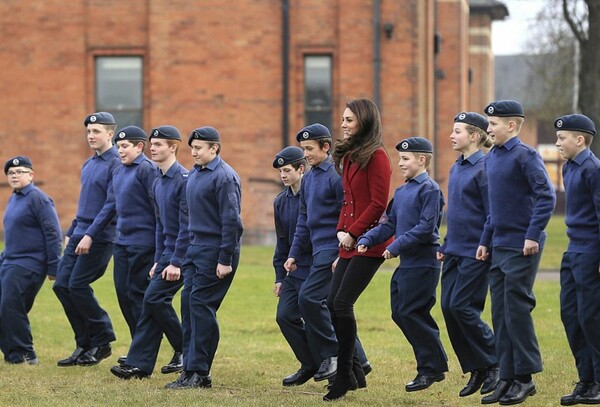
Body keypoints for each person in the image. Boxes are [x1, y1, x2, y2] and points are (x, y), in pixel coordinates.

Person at [476, 100, 556, 405]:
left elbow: (545, 196)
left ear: (511, 125)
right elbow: (494, 208)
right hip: (498, 245)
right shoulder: (492, 157)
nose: (488, 129)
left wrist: (532, 235)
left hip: (523, 245)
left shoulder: (525, 156)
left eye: (493, 124)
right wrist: (485, 240)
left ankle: (525, 378)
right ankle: (507, 378)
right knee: (499, 313)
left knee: (516, 310)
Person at [357, 136, 448, 393]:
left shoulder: (429, 190)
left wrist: (394, 247)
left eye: (405, 159)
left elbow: (424, 228)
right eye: (400, 158)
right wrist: (367, 238)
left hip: (424, 264)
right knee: (400, 313)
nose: (400, 163)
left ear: (422, 160)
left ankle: (430, 368)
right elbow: (388, 224)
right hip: (407, 264)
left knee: (412, 313)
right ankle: (434, 364)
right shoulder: (402, 191)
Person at [324, 99, 392, 401]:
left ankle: (343, 376)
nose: (343, 124)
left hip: (371, 242)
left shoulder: (377, 157)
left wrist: (353, 234)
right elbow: (348, 200)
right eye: (342, 119)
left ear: (364, 121)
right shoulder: (351, 155)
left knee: (341, 304)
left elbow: (378, 203)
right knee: (329, 302)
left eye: (349, 120)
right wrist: (342, 234)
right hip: (350, 242)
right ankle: (354, 372)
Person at [165, 126, 243, 389]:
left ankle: (200, 373)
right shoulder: (195, 175)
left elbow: (232, 222)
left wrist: (225, 259)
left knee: (200, 305)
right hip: (194, 251)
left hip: (215, 253)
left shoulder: (224, 177)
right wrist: (182, 255)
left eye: (199, 148)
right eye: (193, 148)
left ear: (214, 148)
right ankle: (189, 370)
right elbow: (187, 219)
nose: (194, 153)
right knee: (189, 305)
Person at [110, 125, 188, 380]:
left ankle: (182, 350)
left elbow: (186, 227)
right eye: (152, 144)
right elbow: (160, 224)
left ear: (173, 147)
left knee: (152, 299)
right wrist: (159, 259)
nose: (153, 148)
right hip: (164, 252)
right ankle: (141, 364)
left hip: (181, 253)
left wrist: (175, 260)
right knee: (149, 300)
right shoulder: (160, 181)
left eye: (158, 145)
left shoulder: (182, 180)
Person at [437, 112, 498, 398]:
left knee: (463, 307)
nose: (452, 135)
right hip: (453, 251)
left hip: (476, 251)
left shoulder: (485, 168)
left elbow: (491, 213)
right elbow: (457, 213)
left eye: (458, 131)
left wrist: (485, 244)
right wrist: (444, 244)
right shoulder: (455, 168)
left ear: (474, 136)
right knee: (448, 308)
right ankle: (478, 367)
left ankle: (495, 360)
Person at [53, 112, 121, 367]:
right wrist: (72, 229)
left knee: (78, 285)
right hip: (80, 233)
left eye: (97, 132)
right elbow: (87, 203)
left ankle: (102, 340)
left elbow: (111, 204)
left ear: (110, 134)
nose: (91, 136)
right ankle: (84, 343)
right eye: (89, 132)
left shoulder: (116, 162)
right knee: (62, 285)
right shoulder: (89, 164)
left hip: (100, 237)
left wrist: (91, 234)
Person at [92, 125, 158, 360]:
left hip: (144, 244)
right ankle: (137, 346)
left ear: (140, 147)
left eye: (125, 147)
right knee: (124, 296)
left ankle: (144, 351)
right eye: (118, 147)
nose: (120, 151)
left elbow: (158, 209)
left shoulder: (148, 170)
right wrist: (90, 234)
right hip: (121, 244)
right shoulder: (119, 171)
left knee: (138, 296)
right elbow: (110, 205)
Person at [283, 123, 342, 385]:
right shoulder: (309, 179)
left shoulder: (335, 176)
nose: (305, 153)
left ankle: (332, 354)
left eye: (309, 148)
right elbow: (303, 220)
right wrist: (293, 254)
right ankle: (355, 365)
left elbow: (346, 213)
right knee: (322, 305)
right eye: (304, 149)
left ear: (325, 147)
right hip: (317, 249)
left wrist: (344, 251)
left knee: (309, 299)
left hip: (332, 248)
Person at [553, 114, 600, 405]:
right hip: (572, 251)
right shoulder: (569, 168)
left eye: (562, 138)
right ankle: (586, 380)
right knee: (570, 316)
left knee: (591, 317)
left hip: (590, 252)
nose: (558, 143)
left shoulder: (593, 169)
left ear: (579, 140)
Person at [0, 156, 62, 365]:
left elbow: (53, 233)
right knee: (5, 307)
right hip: (10, 261)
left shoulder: (38, 198)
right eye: (11, 173)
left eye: (20, 172)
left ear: (31, 175)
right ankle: (12, 354)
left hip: (29, 264)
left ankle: (25, 355)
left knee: (11, 306)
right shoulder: (15, 197)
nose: (15, 176)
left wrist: (54, 267)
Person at [271, 146, 315, 386]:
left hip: (316, 265)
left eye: (287, 170)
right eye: (280, 171)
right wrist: (279, 276)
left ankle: (354, 362)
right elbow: (282, 242)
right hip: (293, 270)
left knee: (322, 316)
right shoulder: (281, 202)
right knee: (285, 316)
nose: (283, 175)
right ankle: (309, 363)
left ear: (301, 168)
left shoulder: (313, 193)